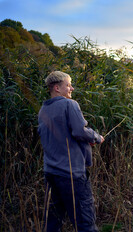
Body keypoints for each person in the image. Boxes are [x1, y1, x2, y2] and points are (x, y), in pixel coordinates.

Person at [38, 71, 104, 232]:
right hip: (71, 174)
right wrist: (96, 137)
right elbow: (79, 131)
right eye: (68, 85)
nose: (72, 88)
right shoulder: (70, 104)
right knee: (85, 222)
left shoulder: (43, 110)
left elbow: (64, 135)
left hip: (51, 173)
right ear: (57, 88)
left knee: (53, 222)